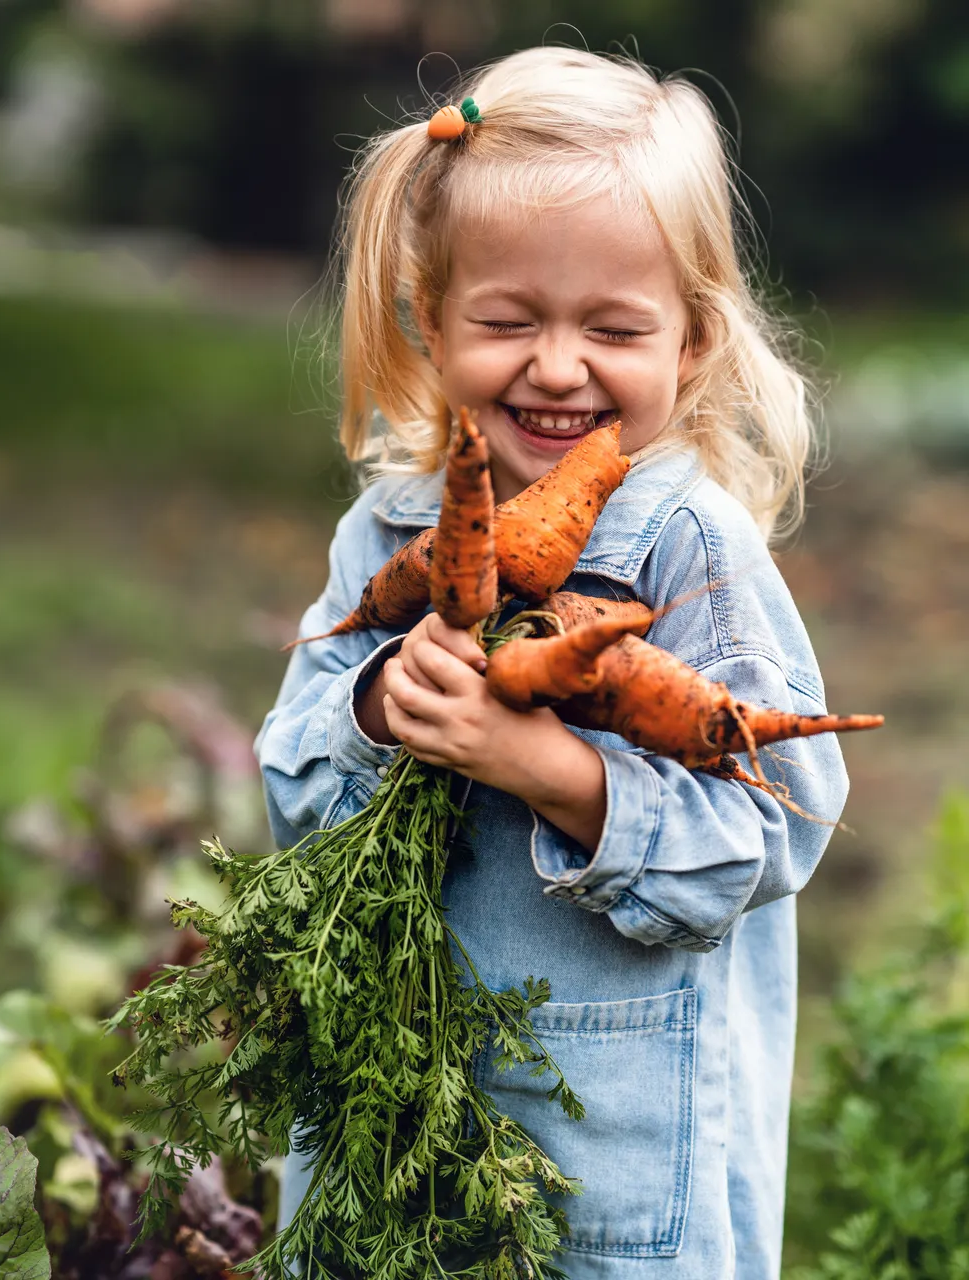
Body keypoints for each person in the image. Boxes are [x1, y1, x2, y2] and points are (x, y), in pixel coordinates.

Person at [256, 47, 844, 1279]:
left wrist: (551, 767)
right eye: (510, 320)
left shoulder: (691, 548)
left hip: (607, 1166)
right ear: (432, 317)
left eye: (614, 328)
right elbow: (292, 789)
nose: (560, 366)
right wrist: (374, 702)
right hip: (388, 1123)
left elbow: (778, 827)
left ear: (690, 341)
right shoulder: (389, 535)